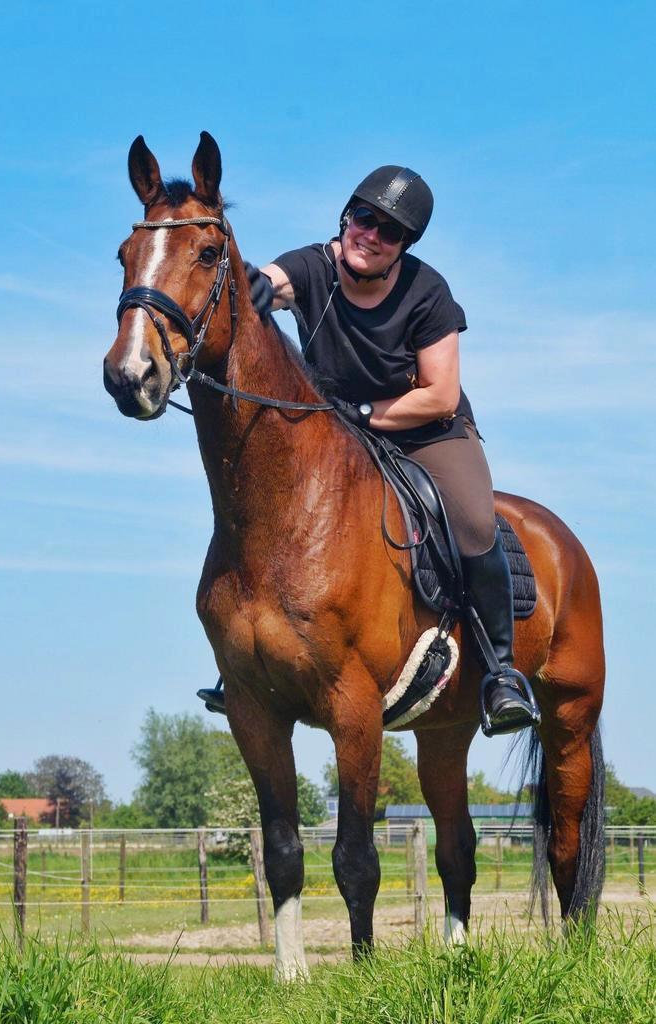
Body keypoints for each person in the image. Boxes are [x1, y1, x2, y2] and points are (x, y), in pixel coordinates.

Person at [199, 165, 538, 736]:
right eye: (364, 218)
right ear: (346, 217)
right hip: (340, 433)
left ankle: (501, 671)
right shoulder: (313, 265)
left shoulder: (428, 292)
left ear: (404, 246)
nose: (371, 235)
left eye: (389, 231)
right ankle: (247, 665)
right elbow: (273, 281)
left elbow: (439, 394)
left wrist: (359, 415)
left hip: (428, 430)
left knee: (476, 524)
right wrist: (250, 285)